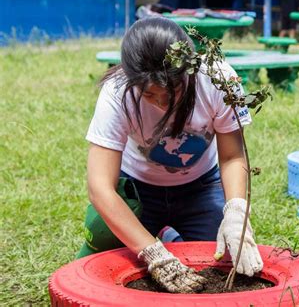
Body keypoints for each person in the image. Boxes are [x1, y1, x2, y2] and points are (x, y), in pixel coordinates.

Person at [77, 17, 263, 293]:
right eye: (151, 95)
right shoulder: (116, 93)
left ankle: (171, 235)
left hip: (200, 186)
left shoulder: (218, 79)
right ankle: (161, 238)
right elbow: (100, 187)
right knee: (98, 270)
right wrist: (154, 254)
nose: (164, 104)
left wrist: (236, 211)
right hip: (138, 189)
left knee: (226, 261)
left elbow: (233, 156)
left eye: (173, 90)